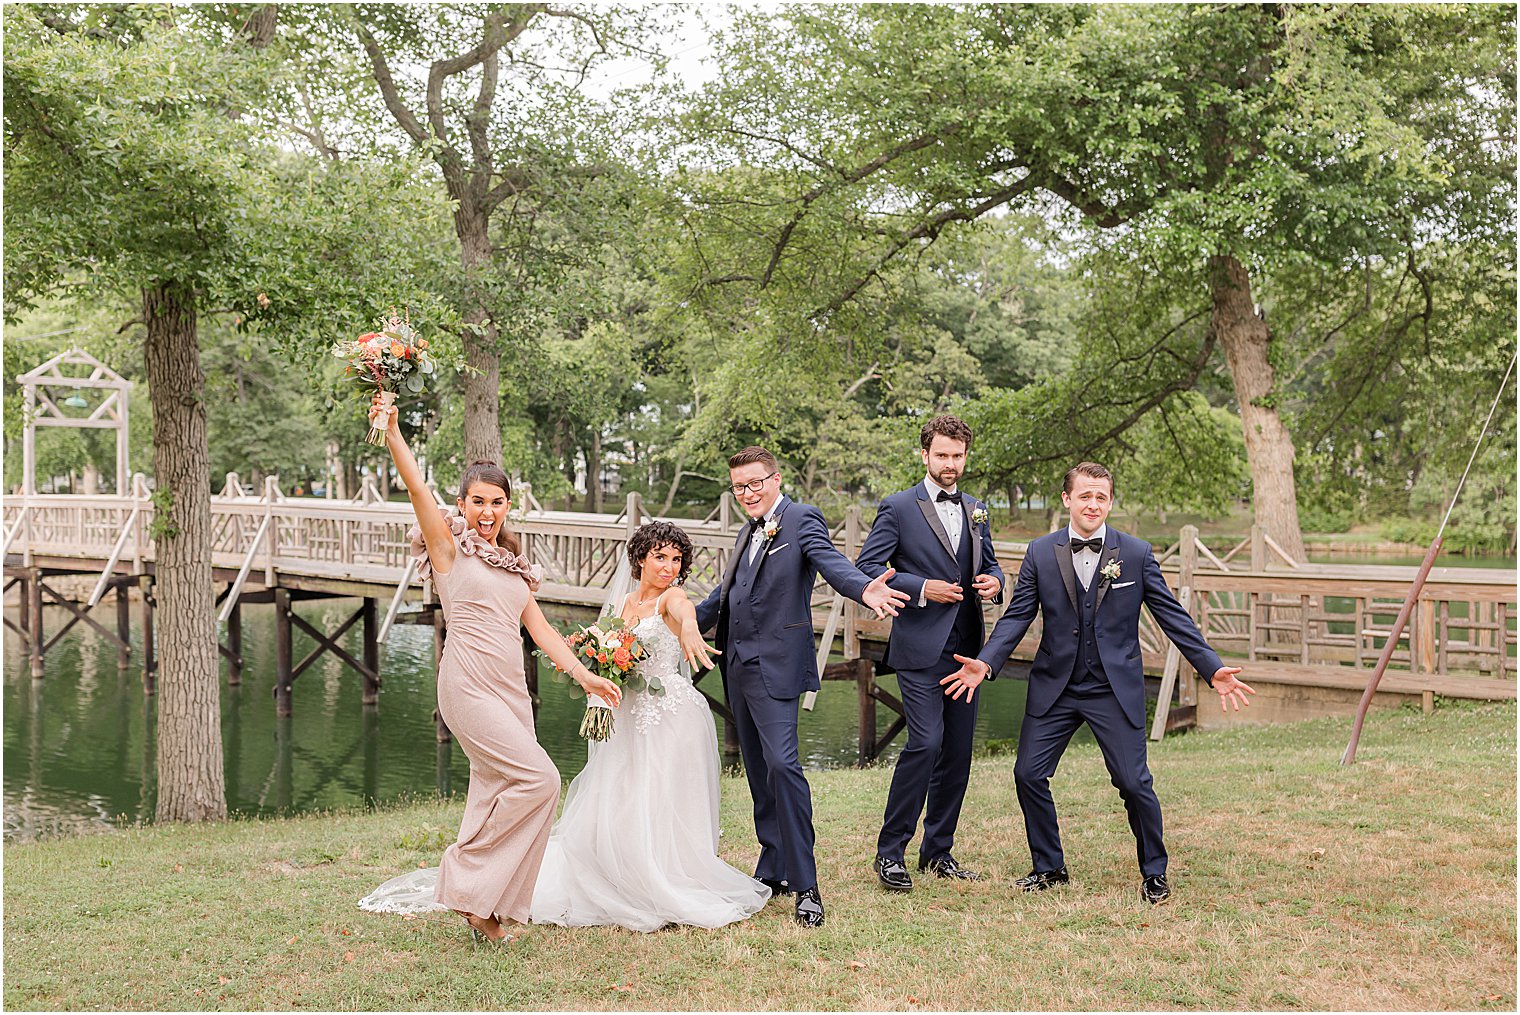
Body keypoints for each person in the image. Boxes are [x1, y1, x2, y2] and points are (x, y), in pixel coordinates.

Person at [358, 395, 621, 946]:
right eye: (477, 501)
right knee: (541, 780)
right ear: (461, 503)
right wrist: (395, 433)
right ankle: (465, 873)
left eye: (497, 502)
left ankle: (486, 909)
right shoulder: (448, 549)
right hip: (467, 684)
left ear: (506, 507)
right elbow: (414, 489)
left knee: (494, 787)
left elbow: (542, 631)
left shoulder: (515, 568)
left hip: (511, 689)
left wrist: (586, 676)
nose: (487, 511)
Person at [941, 462, 1254, 904]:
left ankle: (1154, 872)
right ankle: (1048, 867)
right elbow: (1017, 617)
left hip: (1113, 686)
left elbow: (1172, 616)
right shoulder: (1040, 552)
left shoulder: (1138, 553)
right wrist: (986, 663)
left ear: (1110, 502)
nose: (1093, 504)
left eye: (1101, 497)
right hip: (1056, 684)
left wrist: (1211, 667)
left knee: (1132, 782)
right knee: (1028, 773)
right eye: (1084, 496)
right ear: (1067, 499)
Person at [695, 446, 910, 927]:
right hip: (737, 667)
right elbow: (724, 598)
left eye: (755, 483)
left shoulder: (800, 519)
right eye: (739, 487)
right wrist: (670, 621)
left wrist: (864, 588)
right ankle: (773, 867)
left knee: (783, 766)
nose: (747, 493)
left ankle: (807, 885)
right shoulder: (746, 532)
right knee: (757, 772)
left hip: (776, 666)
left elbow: (831, 564)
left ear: (775, 478)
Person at [529, 521, 772, 931]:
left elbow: (683, 613)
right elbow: (601, 646)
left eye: (676, 560)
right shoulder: (623, 603)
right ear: (640, 558)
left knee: (657, 796)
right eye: (660, 557)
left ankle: (659, 877)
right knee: (620, 791)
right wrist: (583, 659)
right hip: (626, 713)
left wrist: (692, 629)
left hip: (668, 715)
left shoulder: (672, 598)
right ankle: (615, 872)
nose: (669, 567)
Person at [855, 414, 1004, 892]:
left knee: (957, 753)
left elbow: (994, 562)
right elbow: (867, 566)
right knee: (926, 743)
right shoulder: (898, 507)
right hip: (919, 648)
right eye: (942, 455)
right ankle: (890, 853)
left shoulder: (978, 507)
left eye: (958, 456)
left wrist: (995, 582)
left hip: (968, 652)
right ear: (925, 455)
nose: (950, 464)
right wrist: (922, 588)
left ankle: (938, 852)